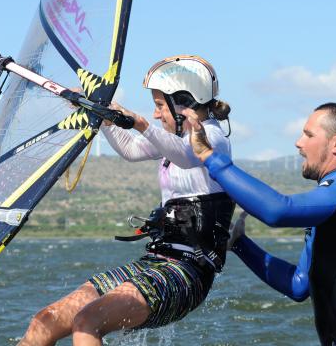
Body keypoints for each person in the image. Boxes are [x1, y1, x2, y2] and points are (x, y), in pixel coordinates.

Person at [19, 55, 235, 345]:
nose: (157, 114)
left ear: (184, 103)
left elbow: (186, 156)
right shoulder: (174, 140)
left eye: (160, 105)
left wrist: (141, 123)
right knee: (44, 321)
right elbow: (131, 150)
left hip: (187, 273)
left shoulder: (213, 139)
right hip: (155, 262)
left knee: (87, 322)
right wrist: (106, 117)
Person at [184, 103, 336, 345]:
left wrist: (208, 156)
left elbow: (278, 211)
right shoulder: (335, 201)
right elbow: (299, 286)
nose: (299, 143)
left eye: (308, 135)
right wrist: (240, 243)